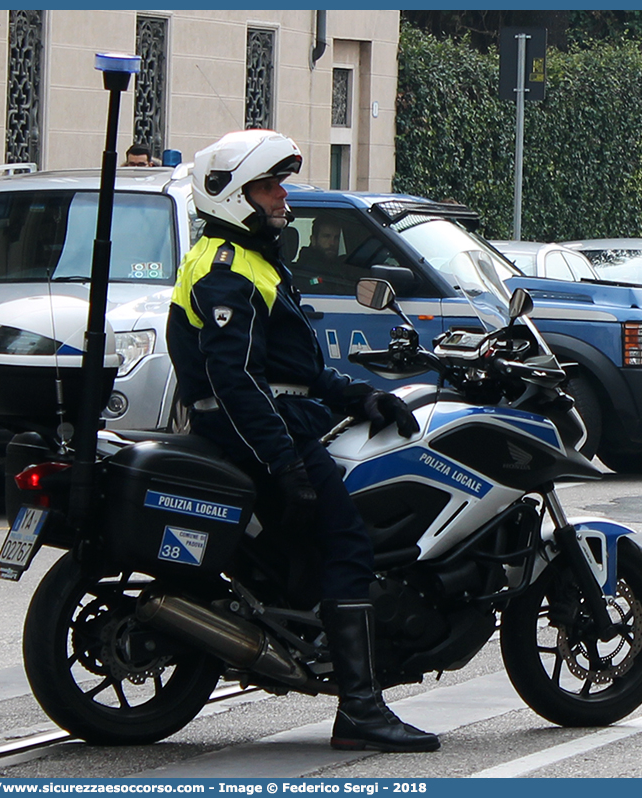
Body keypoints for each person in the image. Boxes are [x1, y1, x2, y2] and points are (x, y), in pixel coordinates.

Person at [166, 129, 439, 753]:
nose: (281, 198)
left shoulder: (254, 261)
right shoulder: (226, 270)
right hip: (253, 430)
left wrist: (359, 396)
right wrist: (285, 463)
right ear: (233, 195)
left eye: (279, 185)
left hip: (275, 420)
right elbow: (236, 383)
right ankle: (362, 711)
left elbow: (300, 369)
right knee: (348, 539)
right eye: (268, 187)